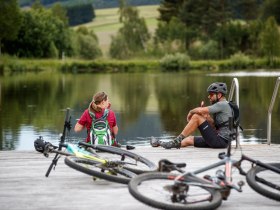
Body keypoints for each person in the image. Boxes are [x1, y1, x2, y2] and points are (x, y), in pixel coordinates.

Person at [151, 82, 232, 149]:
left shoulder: (222, 104)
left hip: (220, 141)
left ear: (219, 95)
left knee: (196, 117)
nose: (209, 97)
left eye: (211, 94)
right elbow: (215, 126)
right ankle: (162, 143)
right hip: (219, 140)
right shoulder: (222, 106)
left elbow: (200, 110)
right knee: (189, 140)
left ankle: (174, 142)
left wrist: (190, 112)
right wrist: (207, 118)